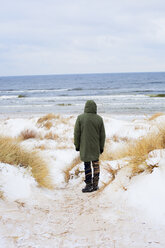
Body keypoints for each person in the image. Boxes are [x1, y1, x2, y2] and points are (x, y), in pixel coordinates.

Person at [74, 100, 106, 193]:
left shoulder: (80, 118)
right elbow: (102, 135)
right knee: (96, 165)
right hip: (95, 146)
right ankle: (95, 185)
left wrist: (77, 145)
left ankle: (88, 185)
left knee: (87, 165)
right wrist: (101, 147)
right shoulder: (99, 119)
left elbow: (76, 133)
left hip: (85, 146)